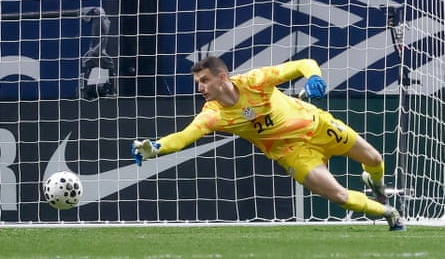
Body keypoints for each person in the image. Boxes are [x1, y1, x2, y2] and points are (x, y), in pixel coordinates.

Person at [132, 56, 405, 231]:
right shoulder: (213, 115)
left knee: (374, 159)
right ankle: (389, 212)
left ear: (222, 77)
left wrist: (314, 77)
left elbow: (303, 63)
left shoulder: (255, 81)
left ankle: (376, 184)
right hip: (292, 153)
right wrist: (156, 147)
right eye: (197, 82)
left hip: (316, 125)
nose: (200, 87)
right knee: (339, 196)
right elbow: (183, 137)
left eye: (204, 80)